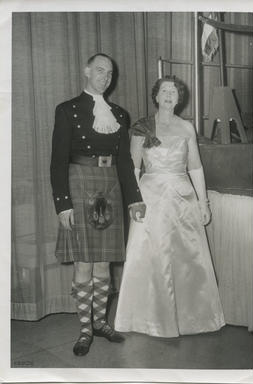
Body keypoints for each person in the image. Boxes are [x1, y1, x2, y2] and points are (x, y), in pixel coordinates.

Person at [50, 53, 146, 356]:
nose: (106, 77)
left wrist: (134, 199)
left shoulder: (119, 114)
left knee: (104, 262)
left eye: (110, 73)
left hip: (111, 187)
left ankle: (101, 322)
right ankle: (84, 329)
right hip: (79, 183)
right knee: (84, 262)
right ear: (87, 71)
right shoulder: (67, 110)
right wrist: (63, 204)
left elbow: (124, 160)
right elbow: (57, 161)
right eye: (100, 70)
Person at [114, 75, 225, 337]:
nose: (168, 95)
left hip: (183, 199)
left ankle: (192, 318)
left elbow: (195, 167)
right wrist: (134, 201)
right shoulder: (142, 127)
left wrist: (203, 202)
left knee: (188, 259)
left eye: (174, 91)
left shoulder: (187, 128)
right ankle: (149, 319)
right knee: (149, 256)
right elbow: (134, 168)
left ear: (179, 98)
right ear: (155, 96)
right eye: (164, 90)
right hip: (150, 198)